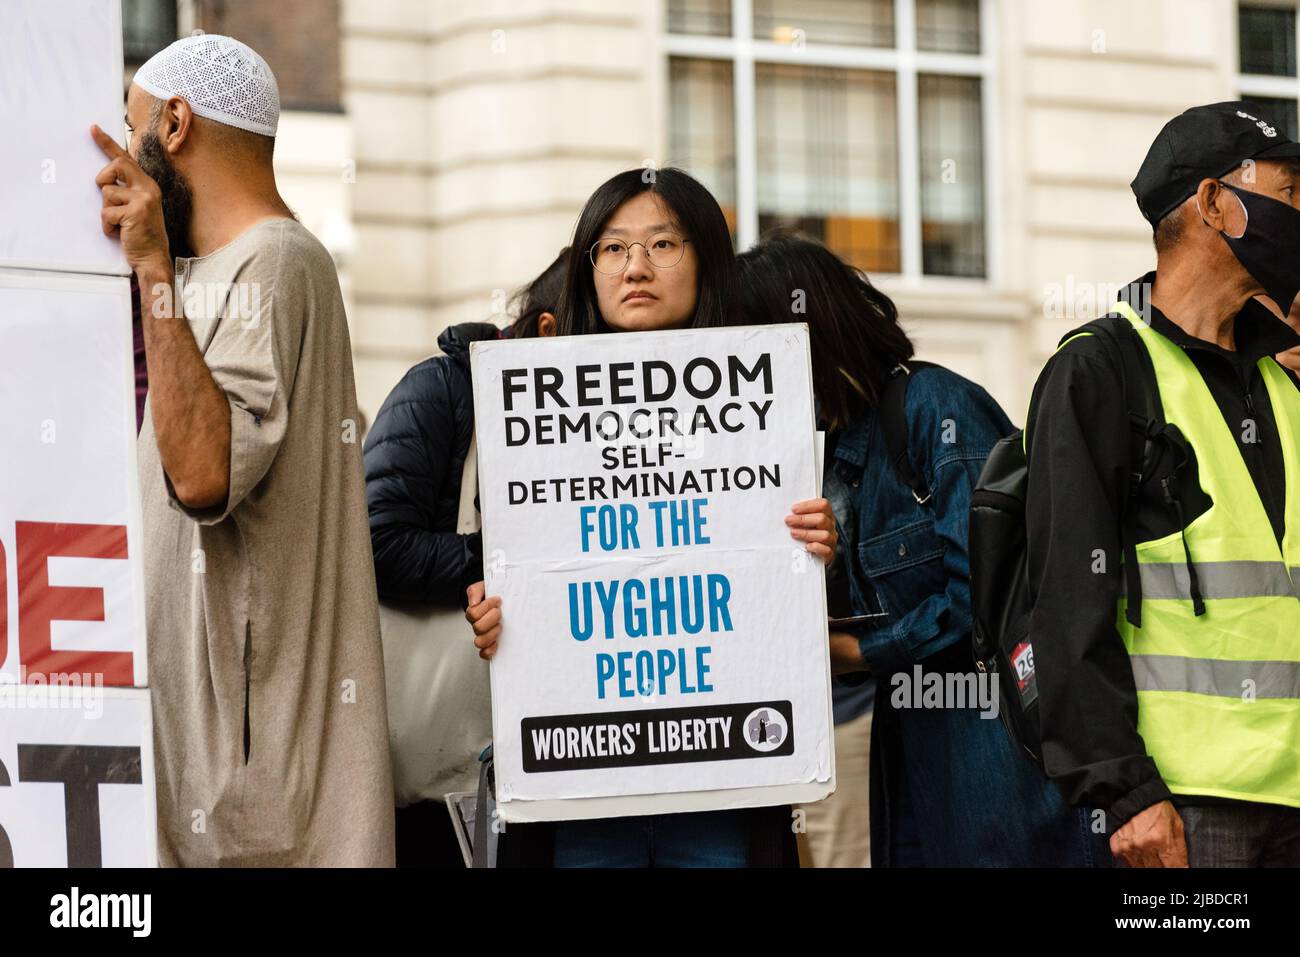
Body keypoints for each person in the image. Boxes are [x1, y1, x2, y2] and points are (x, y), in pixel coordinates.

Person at [465, 168, 837, 867]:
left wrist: (819, 553)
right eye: (612, 248)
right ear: (588, 266)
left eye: (663, 243)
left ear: (706, 261)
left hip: (726, 787)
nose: (636, 266)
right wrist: (492, 608)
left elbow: (796, 613)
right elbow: (507, 564)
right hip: (578, 797)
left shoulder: (772, 396)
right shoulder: (528, 411)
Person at [93, 35, 393, 866]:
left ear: (176, 123)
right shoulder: (238, 266)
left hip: (249, 805)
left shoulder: (274, 261)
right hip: (231, 790)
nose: (122, 153)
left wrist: (153, 263)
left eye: (132, 126)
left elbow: (201, 476)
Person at [739, 231, 1110, 867]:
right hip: (915, 751)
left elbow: (988, 597)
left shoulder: (935, 407)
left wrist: (854, 650)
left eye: (750, 346)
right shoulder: (830, 448)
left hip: (1000, 757)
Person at [1026, 101, 1300, 868]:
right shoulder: (1099, 370)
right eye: (1291, 194)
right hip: (1186, 809)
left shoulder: (1285, 384)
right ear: (1218, 203)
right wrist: (1126, 791)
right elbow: (1065, 603)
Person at [364, 251, 566, 867]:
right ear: (549, 332)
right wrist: (504, 561)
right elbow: (377, 543)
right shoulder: (445, 388)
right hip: (443, 780)